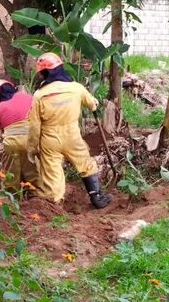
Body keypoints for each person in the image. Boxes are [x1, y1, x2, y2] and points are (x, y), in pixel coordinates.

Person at [27, 52, 112, 208]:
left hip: (49, 140)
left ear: (44, 73)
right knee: (85, 163)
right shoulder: (76, 88)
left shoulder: (39, 95)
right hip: (72, 137)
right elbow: (93, 104)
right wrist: (93, 103)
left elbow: (34, 126)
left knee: (53, 174)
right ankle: (96, 197)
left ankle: (54, 206)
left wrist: (32, 148)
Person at [0, 79, 38, 190]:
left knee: (10, 176)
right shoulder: (26, 97)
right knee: (33, 173)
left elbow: (3, 130)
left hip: (11, 144)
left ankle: (11, 200)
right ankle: (36, 199)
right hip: (30, 140)